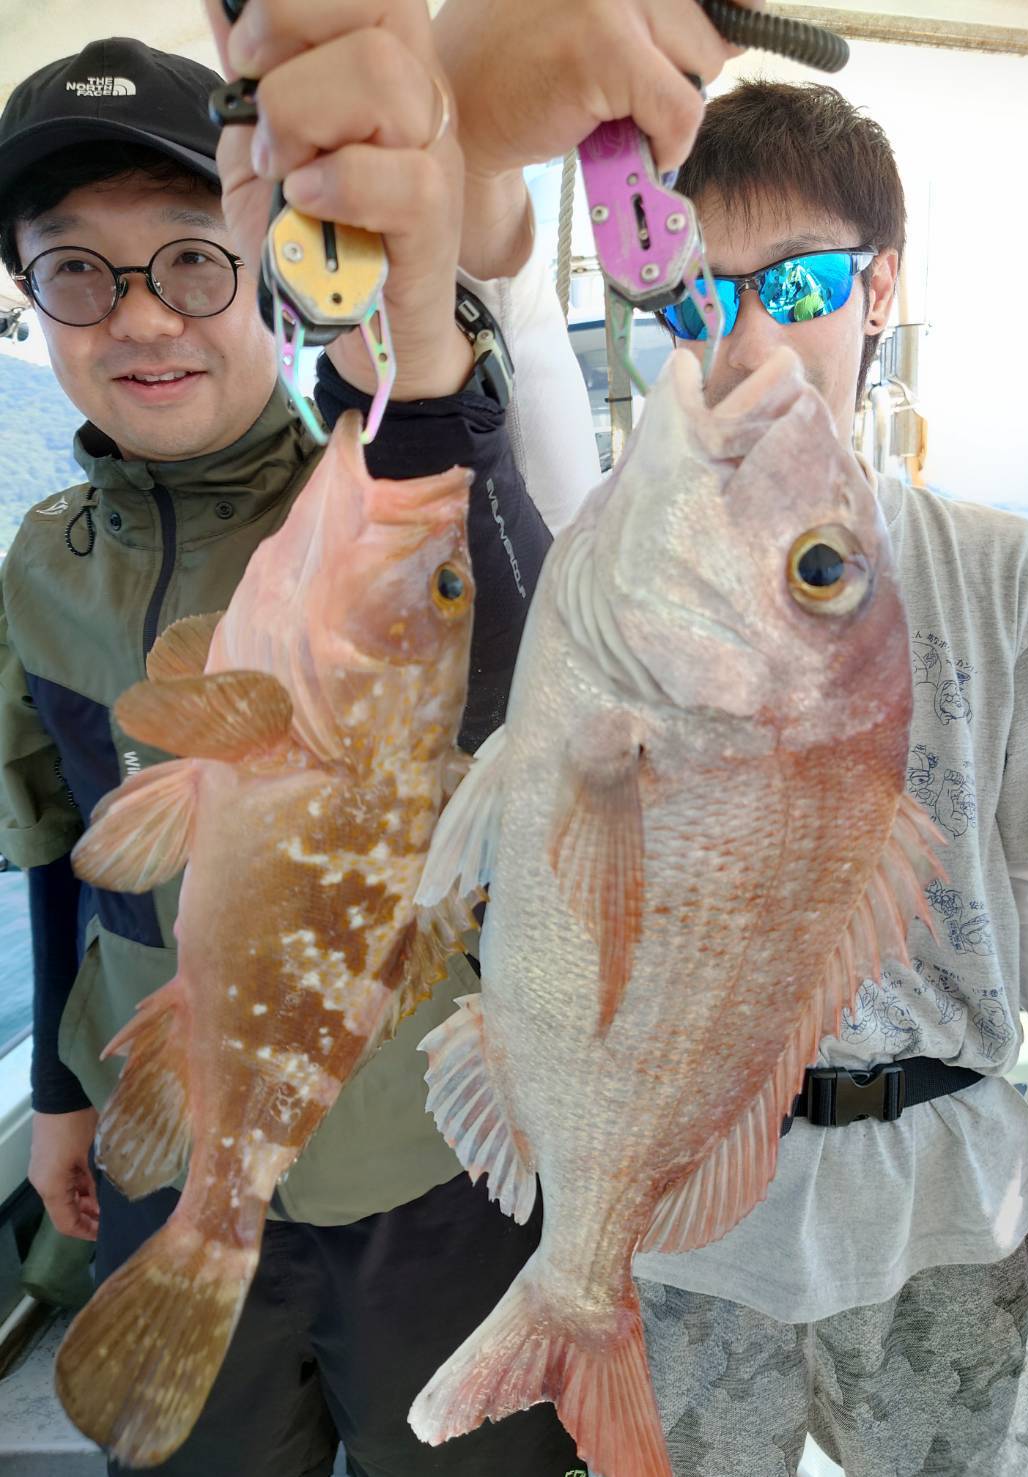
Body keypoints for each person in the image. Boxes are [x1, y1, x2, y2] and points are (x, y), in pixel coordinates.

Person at [0, 2, 743, 1473]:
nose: (141, 315)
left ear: (273, 258)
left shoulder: (374, 481)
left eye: (194, 256)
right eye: (76, 271)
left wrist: (427, 236)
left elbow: (429, 444)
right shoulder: (39, 565)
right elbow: (57, 840)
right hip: (186, 1140)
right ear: (31, 300)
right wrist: (64, 1098)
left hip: (424, 1171)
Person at [616, 81, 1028, 1475]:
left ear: (879, 287)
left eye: (799, 284)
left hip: (947, 1196)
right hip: (690, 1204)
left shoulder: (1008, 574)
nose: (749, 334)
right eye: (701, 295)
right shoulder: (614, 581)